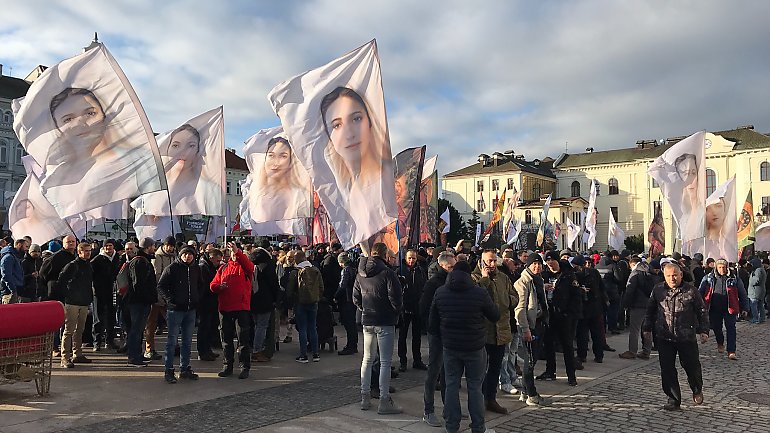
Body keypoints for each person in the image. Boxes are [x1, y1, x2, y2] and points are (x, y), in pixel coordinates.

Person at [430, 260, 500, 433]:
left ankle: (452, 425)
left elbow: (432, 324)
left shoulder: (440, 292)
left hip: (451, 346)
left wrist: (444, 336)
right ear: (469, 274)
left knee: (452, 385)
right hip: (474, 346)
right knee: (475, 387)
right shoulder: (479, 293)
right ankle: (478, 426)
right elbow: (495, 315)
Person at [644, 263, 709, 411]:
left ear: (680, 275)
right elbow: (650, 310)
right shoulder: (658, 290)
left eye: (675, 275)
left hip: (686, 337)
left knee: (692, 367)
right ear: (664, 276)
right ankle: (673, 399)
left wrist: (704, 330)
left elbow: (702, 311)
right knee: (667, 369)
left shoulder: (691, 291)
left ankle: (696, 388)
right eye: (668, 276)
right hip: (664, 336)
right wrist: (647, 328)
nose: (672, 278)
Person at [353, 242, 403, 415]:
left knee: (367, 359)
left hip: (368, 319)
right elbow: (396, 297)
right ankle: (383, 400)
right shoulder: (387, 273)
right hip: (385, 320)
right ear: (384, 255)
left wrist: (365, 309)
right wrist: (395, 311)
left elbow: (356, 297)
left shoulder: (360, 274)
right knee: (385, 362)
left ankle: (365, 397)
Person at [471, 249, 517, 414]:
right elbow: (476, 299)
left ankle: (491, 398)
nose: (492, 264)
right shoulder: (474, 278)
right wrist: (484, 280)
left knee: (495, 367)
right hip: (483, 331)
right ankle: (479, 401)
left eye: (494, 261)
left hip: (501, 329)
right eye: (488, 261)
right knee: (479, 369)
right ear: (481, 262)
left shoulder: (503, 277)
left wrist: (506, 301)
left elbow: (514, 296)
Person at [320, 87, 387, 190]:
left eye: (356, 119)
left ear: (370, 122)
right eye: (337, 125)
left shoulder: (393, 180)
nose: (349, 134)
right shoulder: (344, 193)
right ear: (329, 137)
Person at [420, 251, 455, 427]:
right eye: (451, 267)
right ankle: (428, 410)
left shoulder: (454, 282)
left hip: (450, 334)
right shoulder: (433, 283)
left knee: (448, 373)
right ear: (442, 266)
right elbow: (424, 308)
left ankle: (449, 407)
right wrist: (433, 327)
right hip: (437, 334)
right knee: (434, 372)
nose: (454, 270)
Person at [157, 246, 202, 383]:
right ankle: (169, 369)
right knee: (172, 341)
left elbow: (200, 285)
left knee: (187, 342)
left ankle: (184, 368)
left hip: (190, 310)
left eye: (190, 254)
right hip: (175, 310)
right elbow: (161, 286)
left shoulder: (196, 269)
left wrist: (196, 298)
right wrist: (171, 300)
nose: (187, 256)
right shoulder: (172, 268)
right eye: (185, 254)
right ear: (180, 255)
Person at [210, 242, 254, 379]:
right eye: (232, 254)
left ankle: (244, 366)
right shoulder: (223, 268)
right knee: (226, 339)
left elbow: (249, 266)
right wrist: (218, 287)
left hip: (241, 308)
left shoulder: (245, 267)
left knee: (243, 340)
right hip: (225, 308)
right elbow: (212, 284)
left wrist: (237, 252)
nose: (234, 256)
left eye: (236, 253)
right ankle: (227, 365)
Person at [537, 251, 581, 386]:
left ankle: (571, 375)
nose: (550, 264)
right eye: (547, 261)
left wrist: (570, 313)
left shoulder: (568, 274)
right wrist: (543, 287)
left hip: (564, 315)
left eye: (552, 261)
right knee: (549, 344)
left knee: (567, 346)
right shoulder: (544, 275)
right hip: (550, 314)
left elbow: (576, 295)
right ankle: (550, 371)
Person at [513, 253, 550, 406]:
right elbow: (520, 309)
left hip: (539, 323)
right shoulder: (523, 282)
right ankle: (532, 395)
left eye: (539, 263)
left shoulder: (538, 280)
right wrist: (526, 329)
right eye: (534, 263)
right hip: (529, 326)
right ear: (527, 265)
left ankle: (524, 390)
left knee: (533, 360)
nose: (537, 266)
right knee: (529, 361)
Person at [249, 136, 310, 223]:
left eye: (283, 156)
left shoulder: (300, 196)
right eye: (271, 155)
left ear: (290, 161)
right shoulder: (255, 194)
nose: (276, 162)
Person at [698, 259, 749, 360]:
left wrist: (745, 308)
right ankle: (720, 342)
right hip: (714, 308)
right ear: (716, 268)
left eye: (724, 267)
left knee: (731, 328)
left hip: (730, 307)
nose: (722, 269)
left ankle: (731, 351)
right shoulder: (708, 278)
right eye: (720, 267)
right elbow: (700, 292)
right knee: (717, 328)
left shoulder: (734, 279)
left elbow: (743, 294)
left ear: (727, 267)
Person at [57, 242, 94, 368]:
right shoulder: (72, 265)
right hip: (72, 302)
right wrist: (69, 295)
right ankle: (65, 357)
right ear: (79, 252)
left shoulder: (88, 265)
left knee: (80, 330)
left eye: (89, 250)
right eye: (86, 251)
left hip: (84, 302)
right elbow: (61, 280)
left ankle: (77, 354)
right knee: (69, 330)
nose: (88, 253)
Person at [123, 238, 158, 367]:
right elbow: (138, 284)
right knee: (135, 330)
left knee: (139, 329)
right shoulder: (140, 262)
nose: (154, 248)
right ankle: (133, 357)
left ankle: (138, 355)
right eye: (153, 246)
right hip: (138, 302)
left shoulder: (142, 260)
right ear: (148, 247)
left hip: (140, 301)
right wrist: (148, 297)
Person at [284, 250, 323, 363]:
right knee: (313, 327)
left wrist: (291, 301)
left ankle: (303, 355)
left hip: (300, 303)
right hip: (313, 302)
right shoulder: (315, 270)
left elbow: (289, 290)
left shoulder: (295, 272)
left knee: (302, 329)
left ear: (297, 259)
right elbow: (321, 286)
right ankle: (315, 354)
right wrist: (317, 297)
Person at [145, 237, 176, 361]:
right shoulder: (157, 257)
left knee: (172, 322)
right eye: (168, 245)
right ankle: (149, 348)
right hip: (156, 295)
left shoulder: (174, 257)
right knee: (151, 323)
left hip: (169, 295)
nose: (170, 248)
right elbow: (156, 275)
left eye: (172, 246)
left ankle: (174, 346)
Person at [573, 254, 606, 366]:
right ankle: (599, 355)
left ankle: (582, 355)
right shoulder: (594, 272)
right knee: (596, 333)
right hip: (595, 306)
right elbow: (602, 288)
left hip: (584, 307)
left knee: (583, 333)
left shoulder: (576, 275)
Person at [398, 249, 428, 372]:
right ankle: (402, 361)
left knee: (417, 336)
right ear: (405, 258)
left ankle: (417, 360)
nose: (411, 260)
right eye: (409, 258)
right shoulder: (400, 270)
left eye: (414, 258)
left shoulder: (420, 270)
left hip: (417, 306)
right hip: (404, 307)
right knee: (402, 335)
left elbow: (424, 287)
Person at [620, 257, 654, 360]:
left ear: (632, 264)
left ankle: (632, 351)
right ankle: (646, 351)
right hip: (648, 304)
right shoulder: (649, 271)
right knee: (646, 329)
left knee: (634, 329)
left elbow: (629, 290)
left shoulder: (635, 274)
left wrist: (625, 304)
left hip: (637, 305)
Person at [249, 247, 279, 362]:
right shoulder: (268, 267)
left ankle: (254, 348)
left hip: (252, 300)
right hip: (265, 301)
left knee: (257, 325)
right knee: (262, 327)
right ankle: (257, 351)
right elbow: (274, 284)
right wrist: (276, 299)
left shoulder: (251, 267)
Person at [90, 239, 121, 350]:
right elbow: (90, 274)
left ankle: (110, 340)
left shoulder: (117, 258)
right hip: (99, 292)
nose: (108, 248)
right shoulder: (97, 260)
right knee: (98, 317)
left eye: (110, 245)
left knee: (111, 317)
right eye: (106, 246)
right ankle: (97, 342)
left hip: (112, 291)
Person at [197, 248, 223, 361]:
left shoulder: (210, 266)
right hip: (205, 302)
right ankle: (203, 351)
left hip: (210, 301)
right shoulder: (204, 267)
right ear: (211, 258)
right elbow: (204, 285)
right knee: (204, 327)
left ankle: (207, 350)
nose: (219, 263)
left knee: (209, 327)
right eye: (217, 260)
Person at [335, 252, 359, 355]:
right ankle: (353, 345)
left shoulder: (345, 270)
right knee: (352, 324)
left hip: (347, 299)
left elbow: (343, 286)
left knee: (349, 324)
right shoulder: (354, 268)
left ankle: (351, 346)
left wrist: (335, 296)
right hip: (353, 298)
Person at [1, 238, 27, 304]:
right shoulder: (9, 257)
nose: (26, 249)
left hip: (16, 291)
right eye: (25, 246)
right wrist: (13, 290)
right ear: (19, 245)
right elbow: (6, 275)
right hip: (9, 293)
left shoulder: (16, 257)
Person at [747, 257, 766, 324]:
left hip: (755, 292)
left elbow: (756, 280)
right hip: (759, 291)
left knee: (753, 305)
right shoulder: (761, 269)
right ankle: (762, 318)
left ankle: (756, 318)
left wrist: (750, 278)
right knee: (760, 305)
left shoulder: (758, 270)